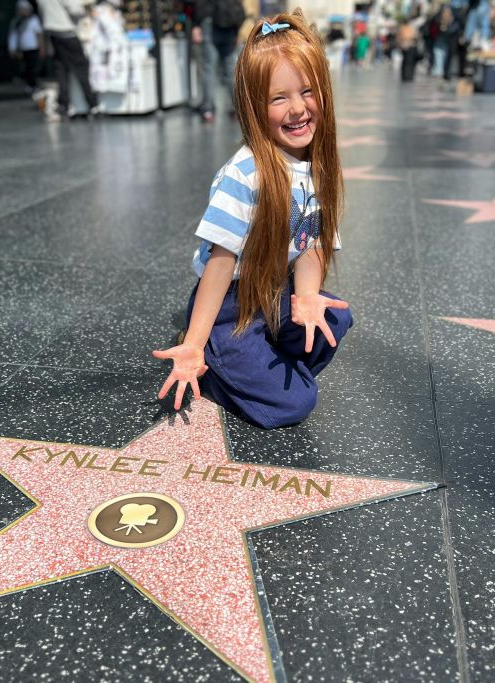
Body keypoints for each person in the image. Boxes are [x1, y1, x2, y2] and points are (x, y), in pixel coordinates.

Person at [152, 12, 352, 429]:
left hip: (276, 292)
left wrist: (309, 295)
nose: (297, 108)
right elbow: (220, 265)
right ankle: (214, 365)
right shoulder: (245, 174)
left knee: (333, 318)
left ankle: (257, 361)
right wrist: (193, 342)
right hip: (233, 305)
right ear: (254, 106)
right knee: (295, 403)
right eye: (279, 98)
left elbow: (312, 241)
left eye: (307, 91)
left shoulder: (318, 167)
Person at [36, 0, 99, 121]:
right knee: (81, 67)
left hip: (51, 32)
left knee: (61, 69)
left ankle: (65, 105)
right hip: (66, 30)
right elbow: (74, 9)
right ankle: (92, 104)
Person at [192, 0, 245, 122]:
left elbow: (200, 5)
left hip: (209, 22)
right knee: (231, 68)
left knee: (209, 68)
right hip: (230, 23)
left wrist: (196, 24)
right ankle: (237, 108)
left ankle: (208, 110)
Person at [8, 0, 44, 95]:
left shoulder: (34, 20)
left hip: (34, 48)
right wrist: (13, 49)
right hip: (23, 49)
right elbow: (13, 37)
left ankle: (34, 85)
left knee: (34, 68)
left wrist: (42, 48)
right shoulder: (16, 22)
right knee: (26, 68)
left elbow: (39, 35)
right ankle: (29, 85)